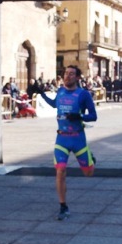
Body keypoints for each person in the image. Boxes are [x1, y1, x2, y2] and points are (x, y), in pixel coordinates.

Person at [37, 65, 97, 220]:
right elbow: (54, 104)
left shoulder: (83, 94)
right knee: (60, 170)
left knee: (89, 173)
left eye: (71, 74)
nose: (67, 76)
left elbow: (93, 116)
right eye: (66, 73)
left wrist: (79, 116)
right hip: (62, 138)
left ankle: (90, 158)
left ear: (77, 77)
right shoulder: (60, 91)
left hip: (78, 138)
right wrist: (41, 94)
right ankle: (63, 206)